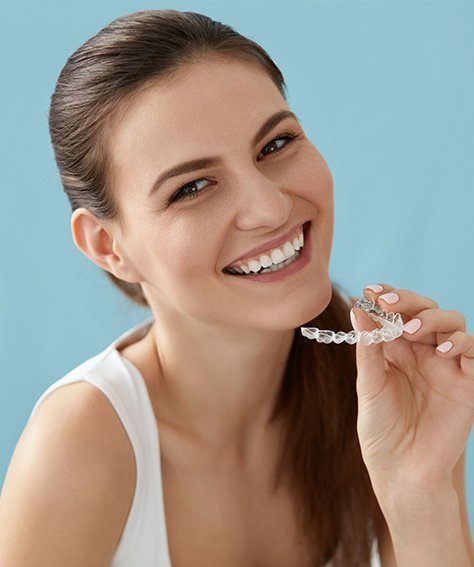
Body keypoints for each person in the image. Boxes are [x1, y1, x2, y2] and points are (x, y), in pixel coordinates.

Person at [1, 9, 472, 567]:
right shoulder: (81, 446)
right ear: (108, 246)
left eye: (275, 145)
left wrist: (419, 494)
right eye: (193, 186)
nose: (270, 207)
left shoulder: (384, 397)